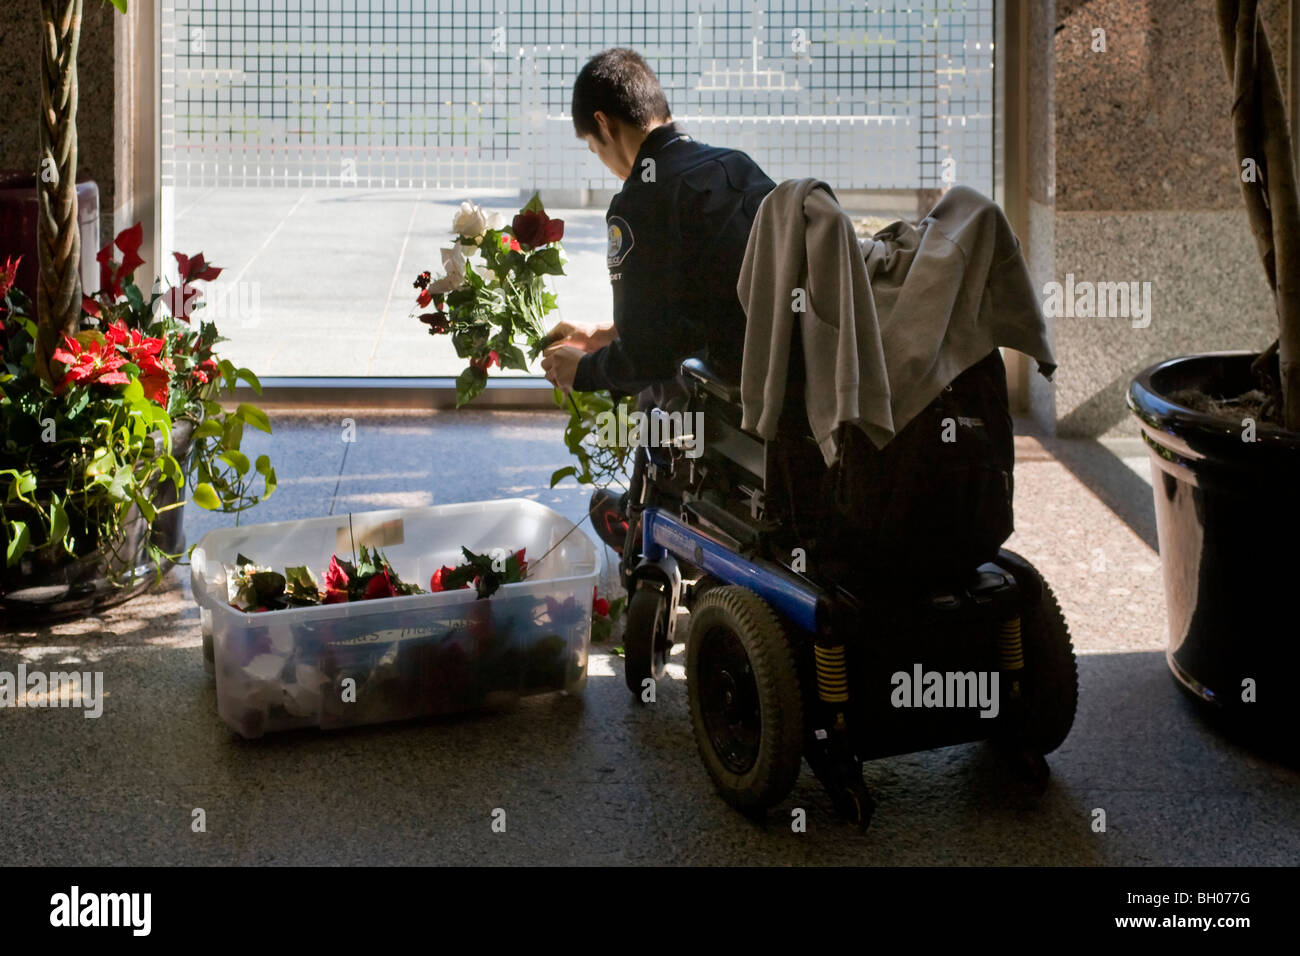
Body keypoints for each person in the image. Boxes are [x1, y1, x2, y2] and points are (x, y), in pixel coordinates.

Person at [539, 48, 776, 553]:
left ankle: (652, 515)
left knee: (656, 389)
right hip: (784, 372)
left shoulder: (639, 203)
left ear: (603, 124)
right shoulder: (735, 168)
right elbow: (705, 297)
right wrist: (605, 334)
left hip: (734, 392)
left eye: (592, 146)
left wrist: (582, 372)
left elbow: (648, 357)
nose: (601, 162)